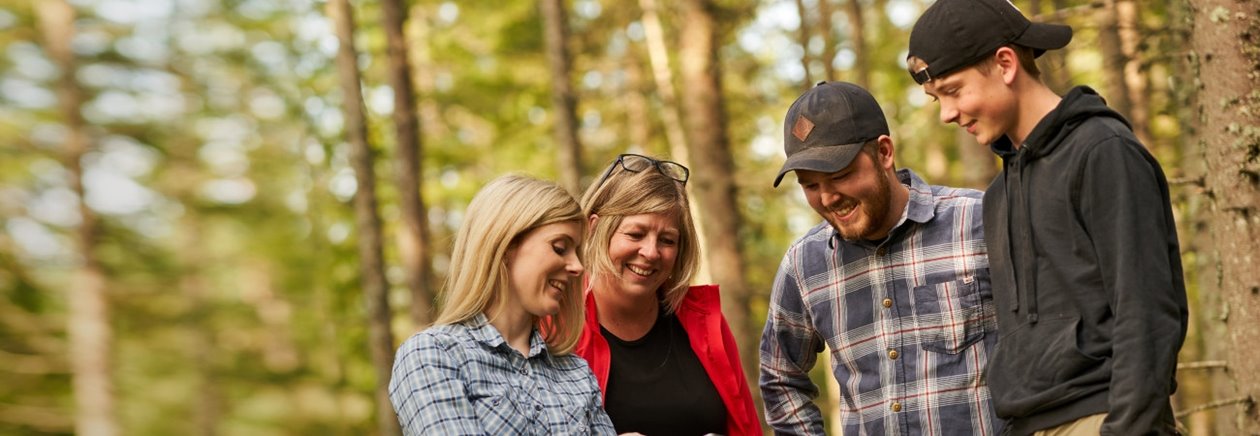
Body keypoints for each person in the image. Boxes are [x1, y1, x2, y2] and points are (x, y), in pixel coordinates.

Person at [905, 1, 1188, 434]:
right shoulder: (999, 195)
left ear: (1005, 63)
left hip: (1105, 416)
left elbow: (1147, 313)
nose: (946, 113)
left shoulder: (1102, 151)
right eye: (936, 98)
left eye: (954, 90)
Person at [759, 81, 1002, 435]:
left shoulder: (978, 221)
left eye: (839, 176)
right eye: (810, 186)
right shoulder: (804, 265)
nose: (827, 198)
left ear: (884, 153)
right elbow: (780, 377)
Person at [389, 174, 615, 435]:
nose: (577, 266)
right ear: (505, 245)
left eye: (577, 252)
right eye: (560, 247)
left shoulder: (576, 372)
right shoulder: (433, 355)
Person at [574, 153, 762, 436]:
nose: (651, 253)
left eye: (667, 240)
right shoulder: (556, 324)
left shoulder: (705, 323)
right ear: (595, 228)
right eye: (636, 234)